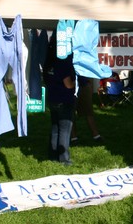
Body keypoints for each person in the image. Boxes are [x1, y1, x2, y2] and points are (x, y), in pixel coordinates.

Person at [43, 34, 76, 165]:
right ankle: (64, 159)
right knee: (64, 129)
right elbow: (68, 84)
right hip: (64, 98)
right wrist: (75, 84)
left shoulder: (48, 61)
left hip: (52, 98)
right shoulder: (63, 61)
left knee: (55, 128)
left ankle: (52, 155)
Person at [72, 75, 103, 144]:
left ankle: (96, 135)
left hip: (84, 83)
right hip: (71, 83)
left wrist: (89, 83)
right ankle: (74, 138)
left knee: (89, 110)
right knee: (71, 112)